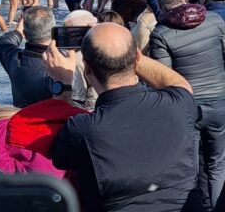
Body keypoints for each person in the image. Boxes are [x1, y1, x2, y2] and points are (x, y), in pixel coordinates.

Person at [43, 23, 198, 212]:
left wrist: (63, 84)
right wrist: (124, 50)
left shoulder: (84, 130)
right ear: (138, 58)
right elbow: (179, 83)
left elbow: (58, 156)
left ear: (87, 70)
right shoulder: (179, 105)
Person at [149, 0, 225, 210]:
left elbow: (163, 78)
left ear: (160, 5)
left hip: (188, 107)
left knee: (188, 167)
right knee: (217, 163)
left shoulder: (161, 32)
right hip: (220, 101)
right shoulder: (214, 20)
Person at [0, 6, 55, 108]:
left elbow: (2, 43)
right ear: (54, 32)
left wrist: (18, 32)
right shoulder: (64, 64)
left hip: (20, 117)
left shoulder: (14, 59)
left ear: (25, 34)